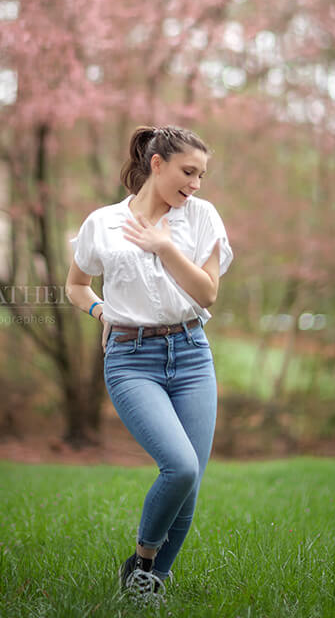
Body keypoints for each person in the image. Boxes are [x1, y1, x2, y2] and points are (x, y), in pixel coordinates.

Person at [65, 125, 233, 602]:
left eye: (201, 175)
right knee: (179, 467)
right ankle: (142, 562)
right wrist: (102, 311)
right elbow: (76, 286)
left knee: (192, 481)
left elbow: (207, 291)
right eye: (188, 172)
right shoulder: (102, 222)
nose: (196, 184)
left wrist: (164, 246)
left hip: (192, 354)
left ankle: (148, 582)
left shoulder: (201, 217)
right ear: (157, 164)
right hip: (131, 359)